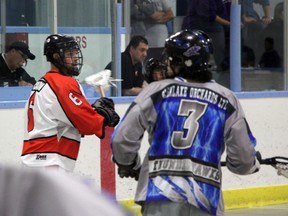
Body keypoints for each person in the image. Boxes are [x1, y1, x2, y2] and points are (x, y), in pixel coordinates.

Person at [111, 29, 260, 216]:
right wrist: (250, 162)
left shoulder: (157, 91)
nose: (168, 62)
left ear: (181, 61)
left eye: (171, 58)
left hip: (159, 196)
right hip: (206, 200)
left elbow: (121, 140)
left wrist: (129, 163)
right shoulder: (227, 99)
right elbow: (243, 160)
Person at [21, 34, 120, 172]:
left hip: (32, 161)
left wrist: (93, 112)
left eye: (75, 53)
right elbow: (87, 124)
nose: (75, 58)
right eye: (69, 54)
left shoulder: (42, 82)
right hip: (49, 163)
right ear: (56, 57)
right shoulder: (63, 83)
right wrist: (103, 118)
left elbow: (69, 117)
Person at [0, 164, 132, 216]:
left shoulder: (33, 101)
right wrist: (100, 118)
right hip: (50, 160)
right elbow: (80, 117)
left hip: (33, 159)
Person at [181, 0, 230, 72]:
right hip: (200, 28)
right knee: (196, 58)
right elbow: (209, 14)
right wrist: (231, 24)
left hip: (210, 28)